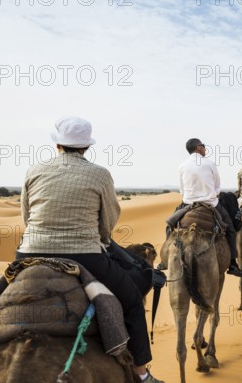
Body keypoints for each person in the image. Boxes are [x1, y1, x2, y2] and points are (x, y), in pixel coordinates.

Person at [16, 117, 164, 383]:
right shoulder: (99, 174)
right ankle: (141, 373)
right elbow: (108, 221)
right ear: (86, 146)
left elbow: (26, 216)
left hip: (30, 252)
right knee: (131, 302)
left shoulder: (34, 169)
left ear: (58, 143)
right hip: (84, 254)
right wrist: (100, 236)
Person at [177, 138, 242, 277]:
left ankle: (165, 261)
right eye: (203, 146)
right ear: (198, 148)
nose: (205, 149)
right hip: (211, 203)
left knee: (170, 225)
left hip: (187, 204)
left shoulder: (182, 166)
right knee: (231, 229)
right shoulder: (210, 163)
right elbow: (217, 186)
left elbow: (182, 190)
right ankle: (232, 263)